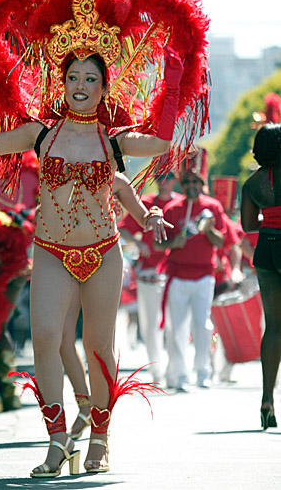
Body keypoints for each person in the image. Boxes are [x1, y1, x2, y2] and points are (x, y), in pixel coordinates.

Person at [0, 0, 210, 476]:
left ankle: (99, 438)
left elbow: (158, 143)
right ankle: (56, 441)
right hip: (50, 251)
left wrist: (172, 78)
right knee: (47, 339)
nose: (80, 86)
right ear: (62, 81)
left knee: (99, 346)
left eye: (91, 79)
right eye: (73, 77)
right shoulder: (39, 132)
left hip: (102, 254)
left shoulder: (113, 139)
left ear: (103, 85)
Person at [61, 172, 173, 440]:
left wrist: (153, 214)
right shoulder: (57, 168)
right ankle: (84, 405)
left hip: (102, 261)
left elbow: (140, 217)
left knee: (98, 345)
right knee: (59, 339)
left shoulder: (116, 179)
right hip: (59, 257)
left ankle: (100, 435)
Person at [157, 148, 227, 392]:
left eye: (196, 182)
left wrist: (208, 230)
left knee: (202, 324)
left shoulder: (214, 207)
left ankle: (203, 371)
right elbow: (158, 242)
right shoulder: (173, 209)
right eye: (186, 182)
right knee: (177, 327)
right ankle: (179, 374)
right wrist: (171, 243)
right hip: (177, 275)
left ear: (202, 183)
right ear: (182, 184)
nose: (191, 186)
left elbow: (221, 242)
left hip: (204, 276)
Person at [119, 171, 180, 383]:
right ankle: (156, 369)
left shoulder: (182, 204)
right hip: (148, 272)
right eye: (160, 177)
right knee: (149, 323)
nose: (164, 181)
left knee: (175, 323)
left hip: (175, 272)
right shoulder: (144, 202)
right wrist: (138, 243)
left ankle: (175, 370)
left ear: (175, 180)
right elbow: (124, 229)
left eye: (169, 177)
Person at [241, 122, 281, 430]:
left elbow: (248, 226)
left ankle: (267, 398)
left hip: (267, 249)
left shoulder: (253, 183)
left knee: (274, 326)